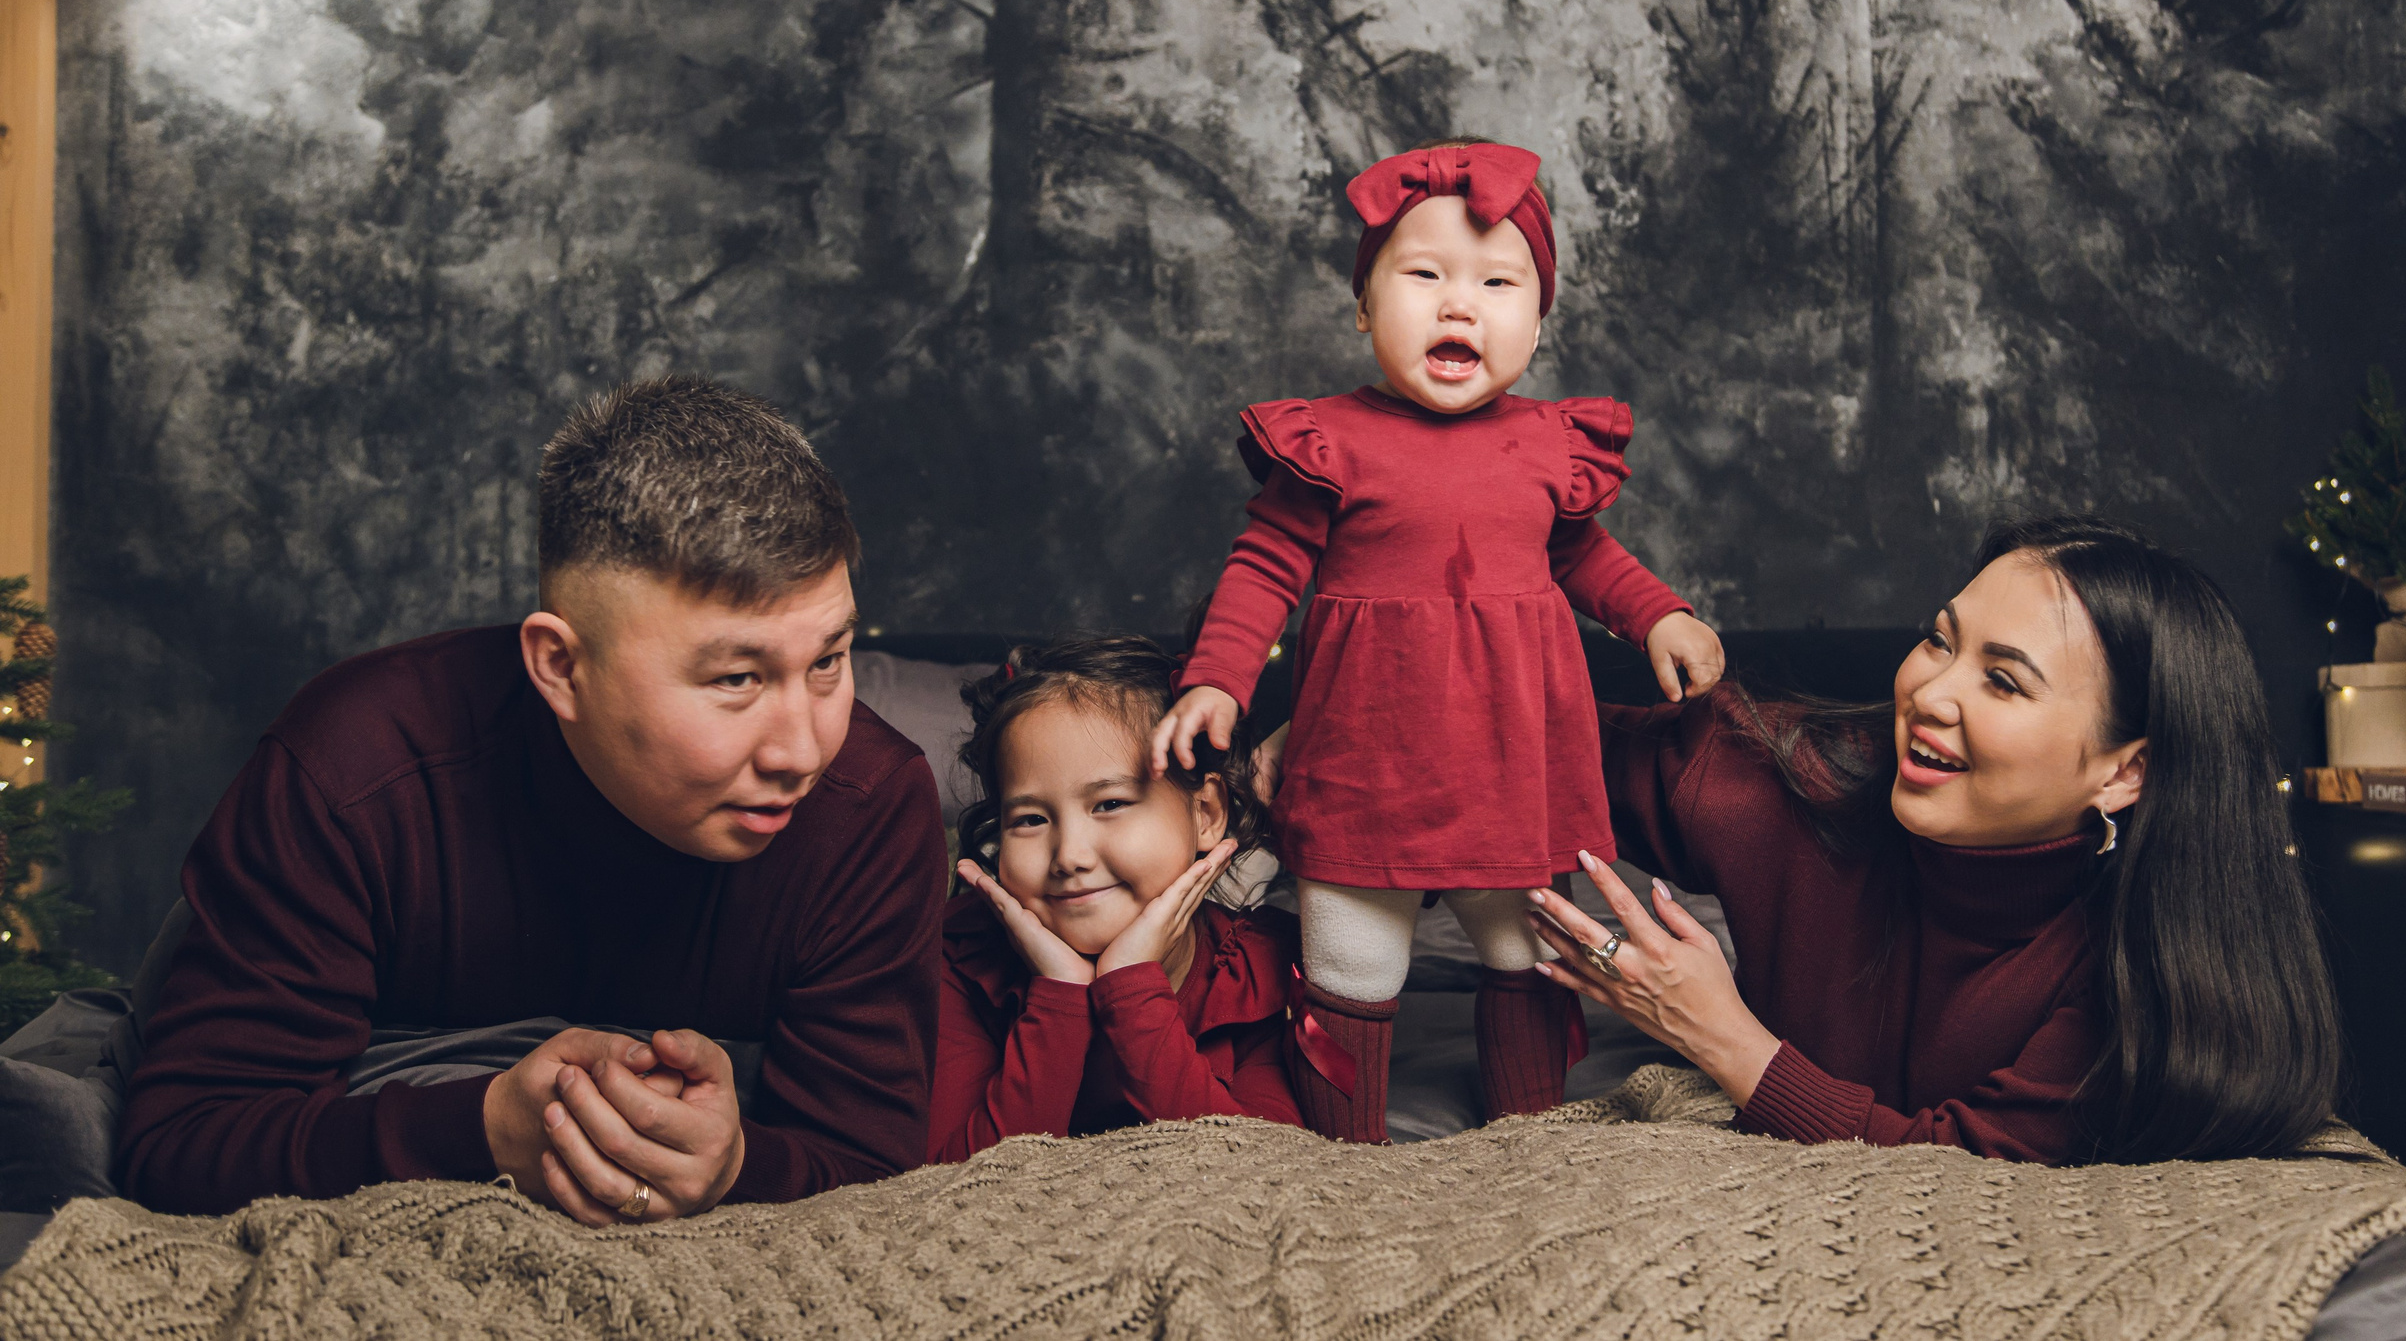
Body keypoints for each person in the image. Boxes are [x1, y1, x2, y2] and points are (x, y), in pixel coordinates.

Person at [115, 377, 947, 1220]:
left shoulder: (869, 803)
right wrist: (479, 1130)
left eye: (828, 661)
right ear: (561, 667)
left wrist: (738, 1164)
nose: (802, 750)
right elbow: (181, 1140)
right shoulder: (354, 770)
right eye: (737, 678)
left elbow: (870, 1168)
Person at [1152, 139, 1728, 1144]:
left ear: (1538, 322)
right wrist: (1217, 682)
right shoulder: (1330, 442)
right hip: (1368, 757)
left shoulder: (1549, 446)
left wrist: (1660, 615)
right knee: (1351, 957)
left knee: (1522, 946)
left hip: (1508, 761)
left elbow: (1587, 560)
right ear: (1366, 307)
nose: (1459, 303)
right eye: (1423, 276)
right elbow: (1263, 572)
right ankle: (1346, 1147)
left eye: (1497, 283)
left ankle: (1525, 1130)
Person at [1525, 515, 2344, 1164]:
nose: (1929, 692)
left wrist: (1719, 1033)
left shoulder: (2138, 972)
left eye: (2003, 679)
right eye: (1939, 640)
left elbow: (1959, 1167)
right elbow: (1522, 746)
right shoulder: (1798, 779)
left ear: (2124, 772)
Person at [932, 635, 1300, 1160]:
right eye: (1031, 819)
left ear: (1206, 813)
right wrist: (1061, 997)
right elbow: (947, 1178)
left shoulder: (1257, 973)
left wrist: (1130, 989)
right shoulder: (961, 962)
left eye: (1109, 803)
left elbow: (1264, 1169)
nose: (1070, 856)